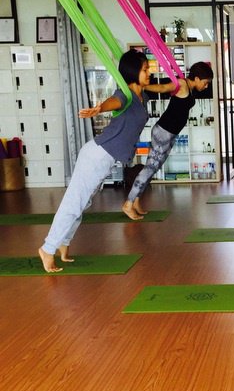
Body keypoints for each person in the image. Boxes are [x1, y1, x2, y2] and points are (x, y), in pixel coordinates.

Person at [38, 50, 151, 272]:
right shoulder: (125, 95)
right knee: (74, 203)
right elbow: (114, 102)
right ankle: (47, 248)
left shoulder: (142, 96)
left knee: (83, 202)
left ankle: (63, 243)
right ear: (132, 72)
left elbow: (162, 88)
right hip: (96, 156)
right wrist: (100, 108)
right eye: (145, 69)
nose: (149, 73)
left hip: (105, 160)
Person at [121, 62, 214, 219]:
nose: (206, 87)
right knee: (149, 168)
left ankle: (135, 201)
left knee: (153, 169)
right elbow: (163, 88)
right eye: (205, 83)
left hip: (169, 134)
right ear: (197, 78)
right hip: (163, 132)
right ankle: (128, 204)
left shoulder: (189, 89)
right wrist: (142, 86)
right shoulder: (183, 84)